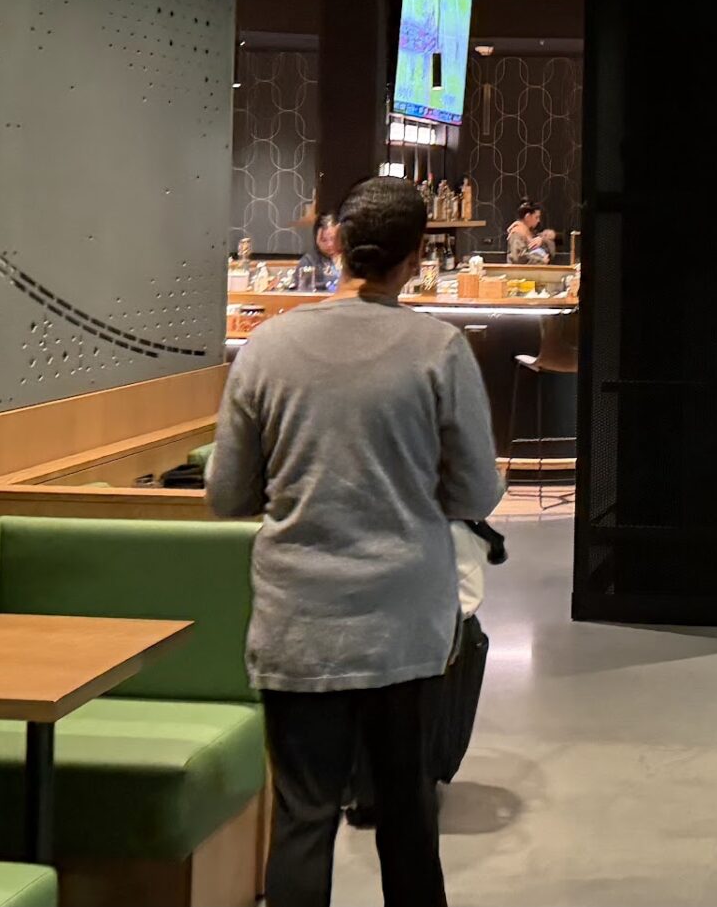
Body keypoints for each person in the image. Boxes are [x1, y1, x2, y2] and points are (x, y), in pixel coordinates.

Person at [207, 176, 506, 907]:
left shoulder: (266, 348)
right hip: (405, 626)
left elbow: (226, 494)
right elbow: (475, 492)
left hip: (298, 622)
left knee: (304, 817)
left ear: (335, 242)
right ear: (414, 258)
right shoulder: (440, 350)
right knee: (406, 813)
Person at [291, 214, 342, 292]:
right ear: (316, 239)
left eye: (333, 238)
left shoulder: (350, 257)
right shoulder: (308, 261)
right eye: (324, 240)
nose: (329, 244)